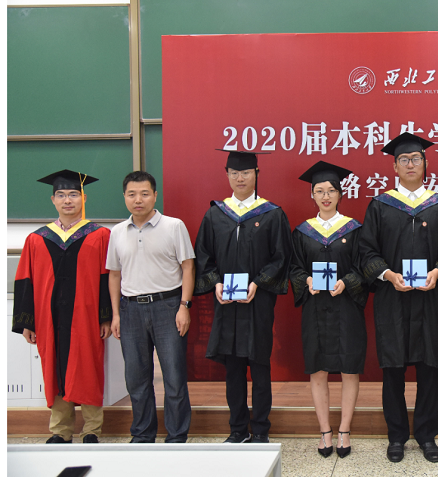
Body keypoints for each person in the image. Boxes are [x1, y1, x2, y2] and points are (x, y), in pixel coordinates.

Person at [359, 132, 438, 463]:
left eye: (416, 159)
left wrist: (437, 272)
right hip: (392, 298)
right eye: (404, 159)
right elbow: (366, 250)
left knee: (429, 370)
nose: (410, 164)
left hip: (429, 298)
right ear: (394, 166)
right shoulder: (380, 205)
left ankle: (427, 436)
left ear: (425, 164)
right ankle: (397, 437)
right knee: (393, 370)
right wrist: (387, 274)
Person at [193, 150, 292, 443]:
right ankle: (237, 429)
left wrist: (258, 283)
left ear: (257, 174)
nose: (240, 178)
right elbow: (203, 255)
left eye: (246, 172)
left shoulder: (271, 214)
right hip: (226, 302)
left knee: (260, 366)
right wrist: (216, 283)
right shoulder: (216, 214)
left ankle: (260, 430)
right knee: (233, 368)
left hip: (257, 302)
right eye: (234, 173)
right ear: (227, 175)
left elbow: (281, 257)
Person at [13, 170, 111, 443]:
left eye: (73, 194)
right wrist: (27, 321)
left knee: (89, 367)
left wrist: (105, 316)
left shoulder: (100, 235)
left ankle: (92, 430)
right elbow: (25, 280)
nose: (68, 200)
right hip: (49, 318)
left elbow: (108, 278)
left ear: (83, 198)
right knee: (53, 368)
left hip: (87, 316)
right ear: (53, 200)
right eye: (61, 195)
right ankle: (61, 430)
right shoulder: (37, 238)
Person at [107, 170, 195, 443]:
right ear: (124, 197)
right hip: (131, 309)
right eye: (132, 194)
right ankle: (143, 434)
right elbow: (114, 275)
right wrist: (116, 314)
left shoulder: (174, 226)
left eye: (144, 194)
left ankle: (177, 435)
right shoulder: (117, 232)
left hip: (167, 306)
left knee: (174, 376)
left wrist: (184, 306)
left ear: (155, 196)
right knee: (136, 378)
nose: (138, 200)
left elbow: (188, 267)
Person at [289, 161, 368, 458]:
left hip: (346, 309)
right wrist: (306, 280)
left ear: (340, 194)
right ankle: (325, 431)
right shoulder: (302, 232)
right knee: (318, 369)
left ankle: (344, 430)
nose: (326, 196)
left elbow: (364, 267)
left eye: (331, 191)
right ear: (312, 194)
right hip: (315, 309)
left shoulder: (354, 229)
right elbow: (294, 267)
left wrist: (347, 282)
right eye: (320, 191)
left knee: (349, 369)